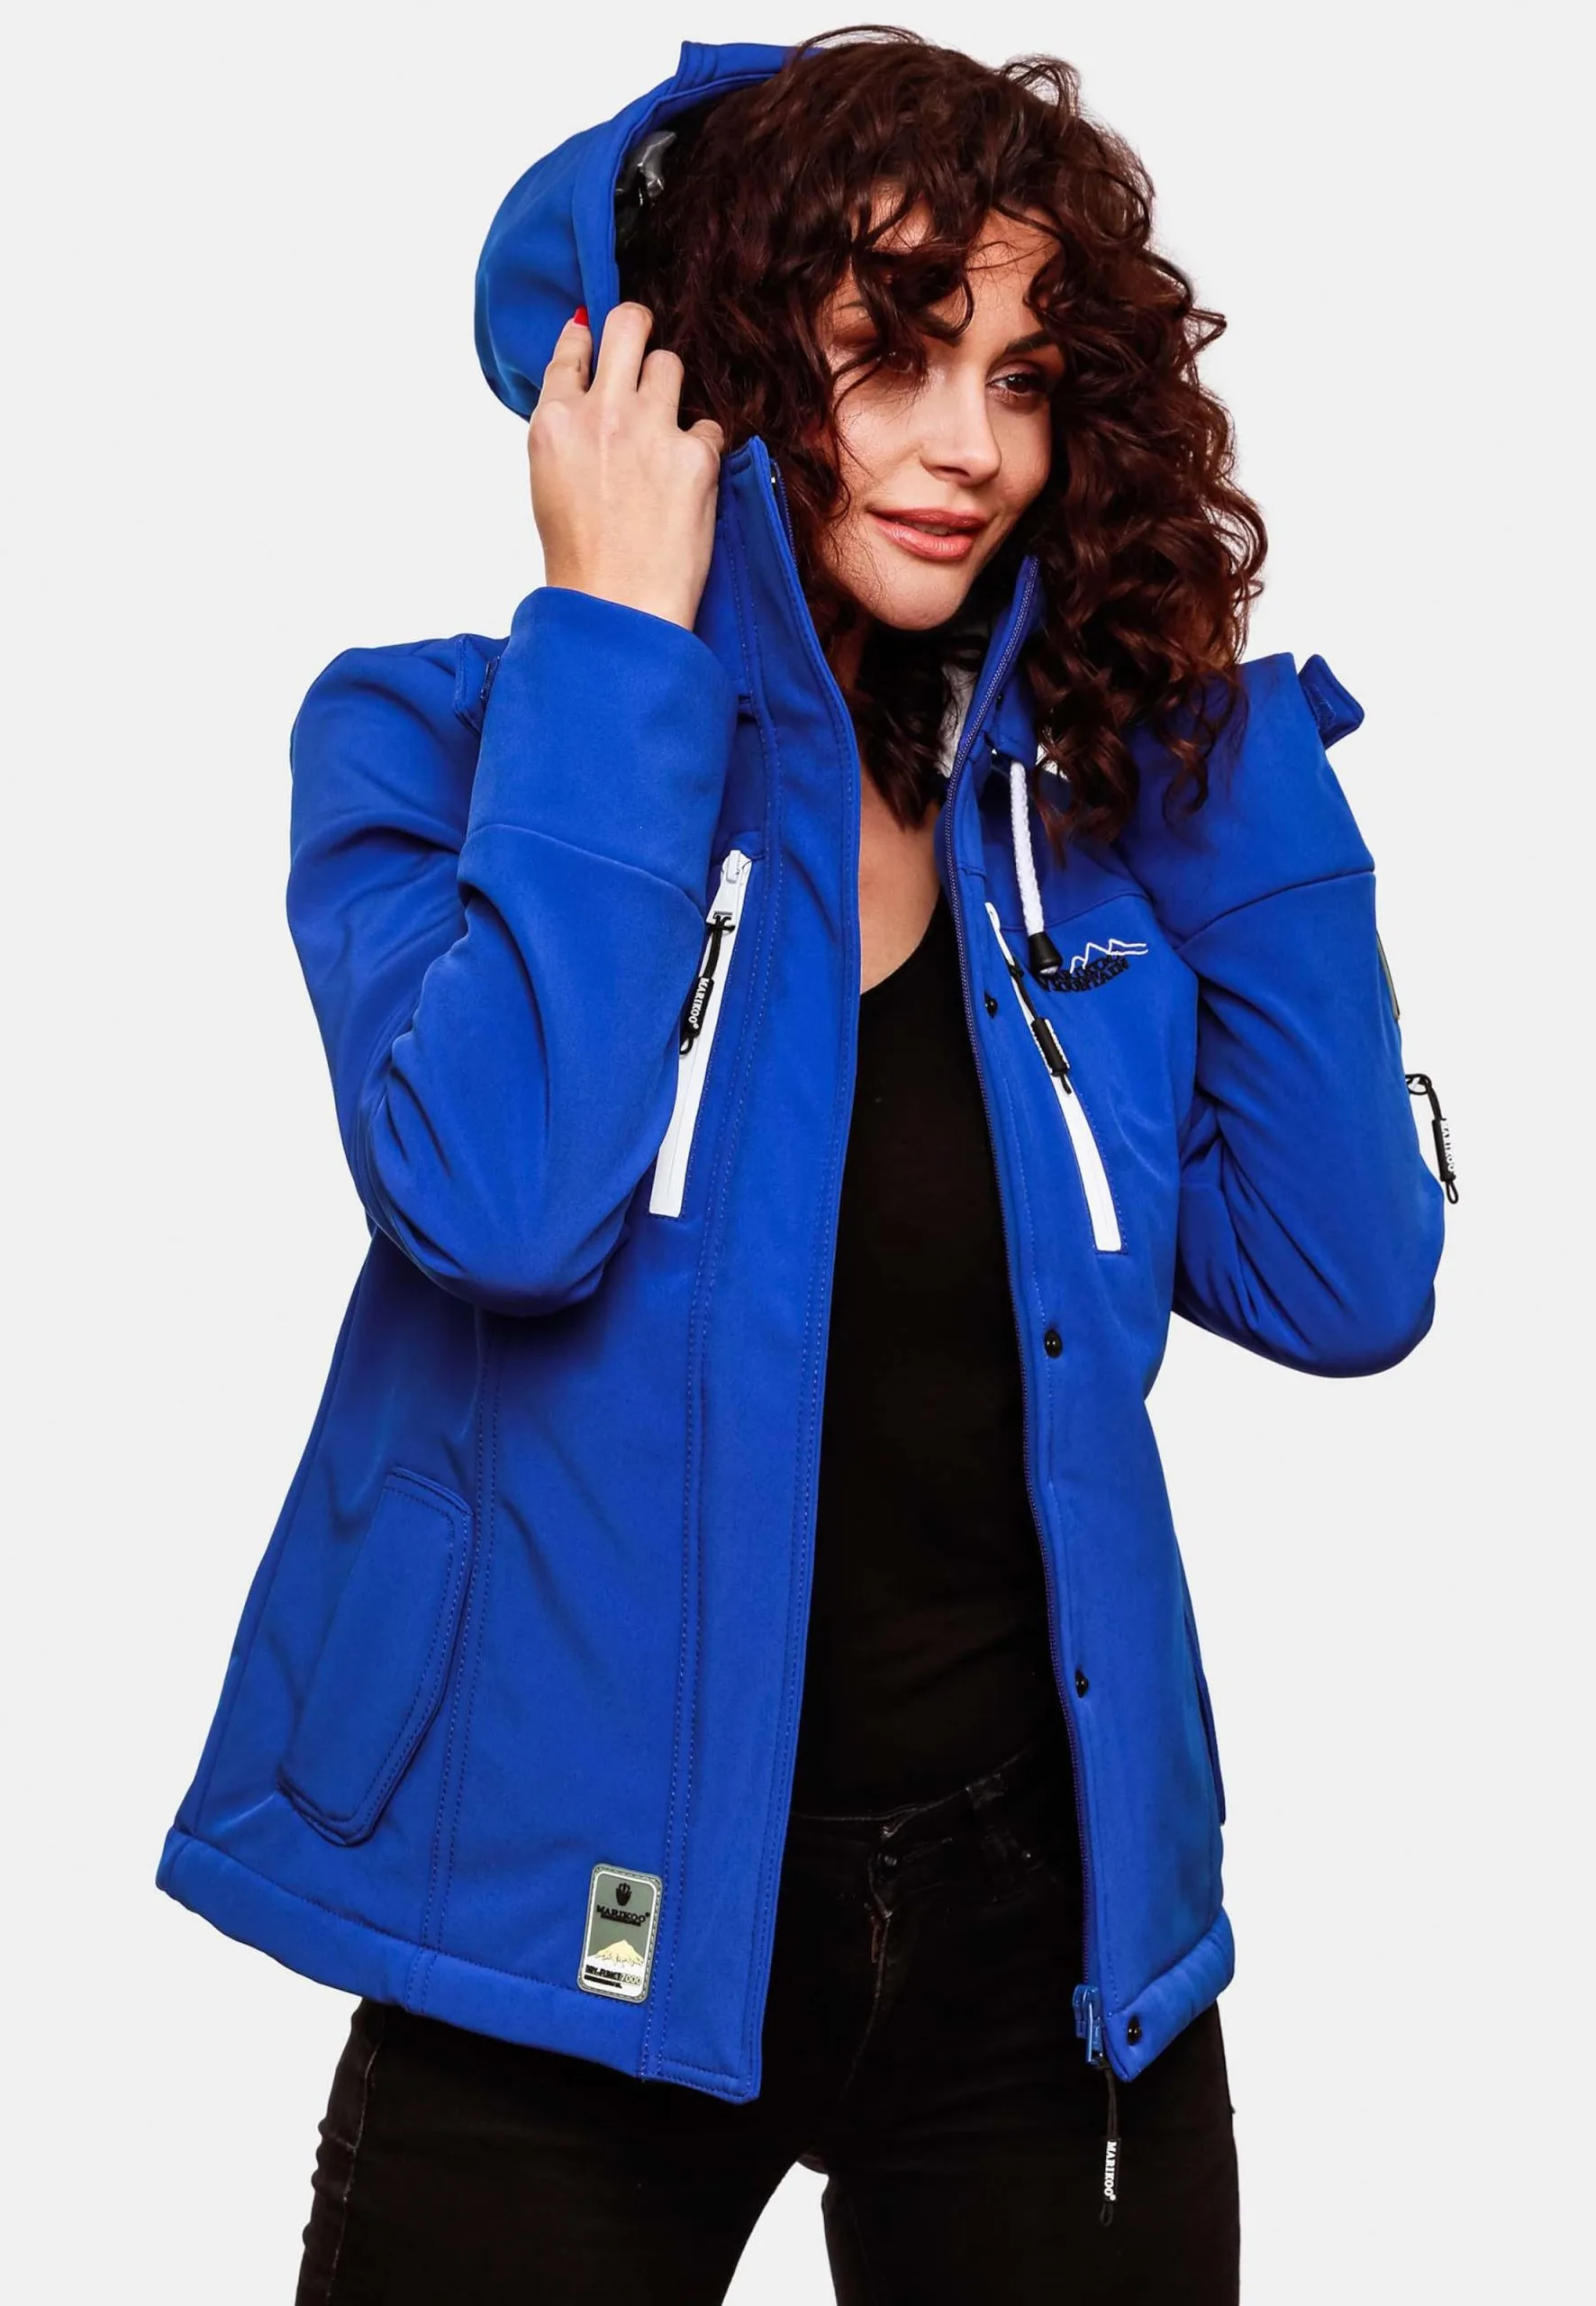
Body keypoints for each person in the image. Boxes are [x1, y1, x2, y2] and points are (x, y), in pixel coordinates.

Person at [155, 29, 1451, 2303]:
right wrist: (611, 639)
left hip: (1044, 1941)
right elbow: (501, 1203)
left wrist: (1210, 718)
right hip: (553, 1917)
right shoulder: (443, 741)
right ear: (708, 368)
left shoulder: (1072, 819)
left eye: (1025, 378)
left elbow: (1343, 1274)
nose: (974, 449)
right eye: (894, 353)